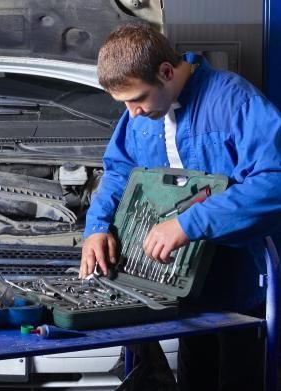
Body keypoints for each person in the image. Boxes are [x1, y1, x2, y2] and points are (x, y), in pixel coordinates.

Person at [79, 23, 281, 390]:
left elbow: (275, 180)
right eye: (124, 103)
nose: (132, 113)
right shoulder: (142, 114)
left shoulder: (234, 102)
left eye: (136, 99)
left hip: (239, 290)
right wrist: (97, 226)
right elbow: (120, 169)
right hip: (181, 292)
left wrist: (191, 222)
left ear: (167, 72)